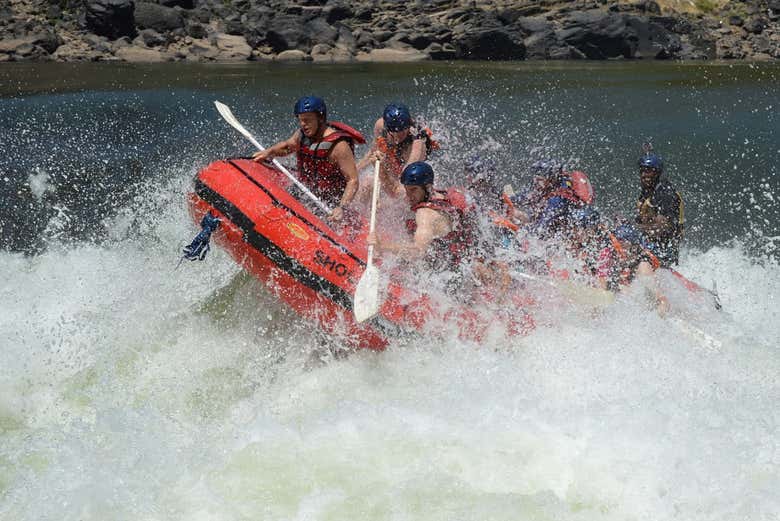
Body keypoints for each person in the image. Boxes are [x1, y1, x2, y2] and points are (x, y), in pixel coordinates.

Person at [252, 96, 365, 222]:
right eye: (300, 120)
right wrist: (269, 152)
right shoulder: (302, 135)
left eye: (307, 120)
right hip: (304, 192)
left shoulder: (339, 146)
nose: (303, 125)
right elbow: (287, 147)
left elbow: (353, 180)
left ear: (320, 118)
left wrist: (341, 208)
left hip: (329, 202)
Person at [367, 161, 474, 275]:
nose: (408, 195)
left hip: (447, 272)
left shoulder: (425, 214)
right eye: (407, 189)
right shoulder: (437, 195)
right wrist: (379, 166)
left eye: (413, 190)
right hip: (460, 257)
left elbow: (419, 251)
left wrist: (383, 246)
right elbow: (394, 190)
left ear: (427, 187)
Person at [356, 103, 438, 199]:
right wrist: (355, 171)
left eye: (403, 130)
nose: (399, 135)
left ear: (408, 125)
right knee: (366, 185)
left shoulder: (417, 143)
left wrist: (382, 170)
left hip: (412, 171)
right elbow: (373, 152)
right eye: (395, 132)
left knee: (402, 195)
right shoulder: (381, 126)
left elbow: (398, 188)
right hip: (394, 161)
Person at [510, 159, 595, 239]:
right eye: (535, 177)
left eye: (539, 178)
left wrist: (512, 225)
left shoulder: (557, 199)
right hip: (586, 223)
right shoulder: (562, 182)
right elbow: (523, 197)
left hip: (582, 231)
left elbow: (538, 232)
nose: (535, 182)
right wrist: (507, 200)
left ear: (550, 179)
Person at [634, 147, 684, 266]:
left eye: (649, 170)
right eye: (642, 170)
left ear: (657, 172)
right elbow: (643, 220)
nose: (644, 174)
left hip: (665, 251)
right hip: (650, 246)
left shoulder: (666, 193)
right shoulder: (647, 192)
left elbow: (663, 227)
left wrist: (635, 230)